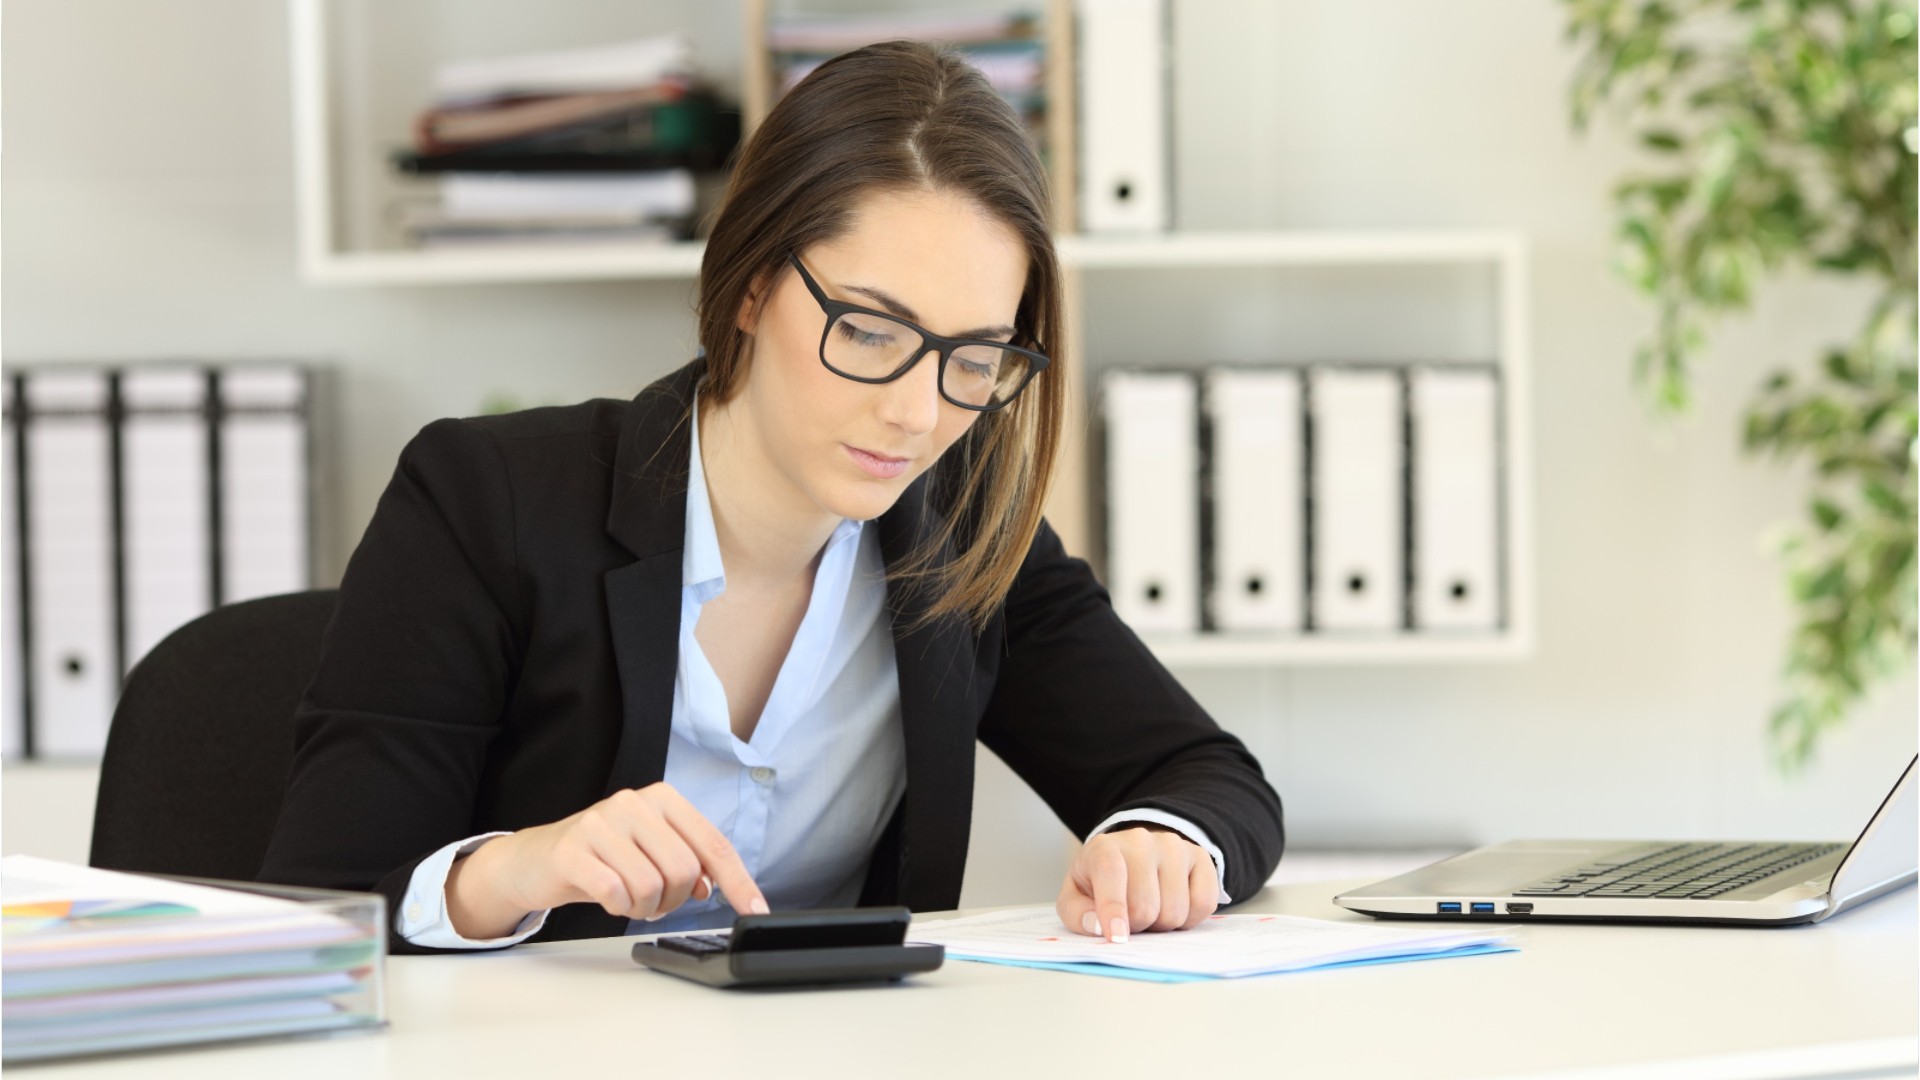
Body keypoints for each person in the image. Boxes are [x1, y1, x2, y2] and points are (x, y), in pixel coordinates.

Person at [259, 40, 1283, 954]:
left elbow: (1210, 780)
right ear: (751, 283)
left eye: (973, 357)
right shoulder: (487, 500)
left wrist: (1159, 839)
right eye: (873, 332)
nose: (918, 415)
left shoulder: (961, 526)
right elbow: (327, 901)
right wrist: (522, 868)